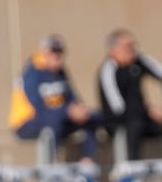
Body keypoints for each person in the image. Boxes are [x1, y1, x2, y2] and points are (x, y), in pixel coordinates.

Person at [97, 29, 162, 160]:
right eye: (127, 47)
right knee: (135, 125)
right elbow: (118, 108)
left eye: (134, 45)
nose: (133, 50)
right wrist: (149, 111)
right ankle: (133, 173)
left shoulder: (139, 60)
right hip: (119, 122)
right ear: (114, 50)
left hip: (142, 117)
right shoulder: (108, 70)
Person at [9, 33, 103, 162]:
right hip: (27, 123)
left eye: (60, 52)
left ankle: (87, 161)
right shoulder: (31, 73)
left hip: (58, 117)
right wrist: (67, 111)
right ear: (44, 52)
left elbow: (72, 97)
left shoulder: (60, 71)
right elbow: (39, 108)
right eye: (53, 51)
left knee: (92, 116)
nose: (57, 56)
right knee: (55, 119)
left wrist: (80, 109)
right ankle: (53, 167)